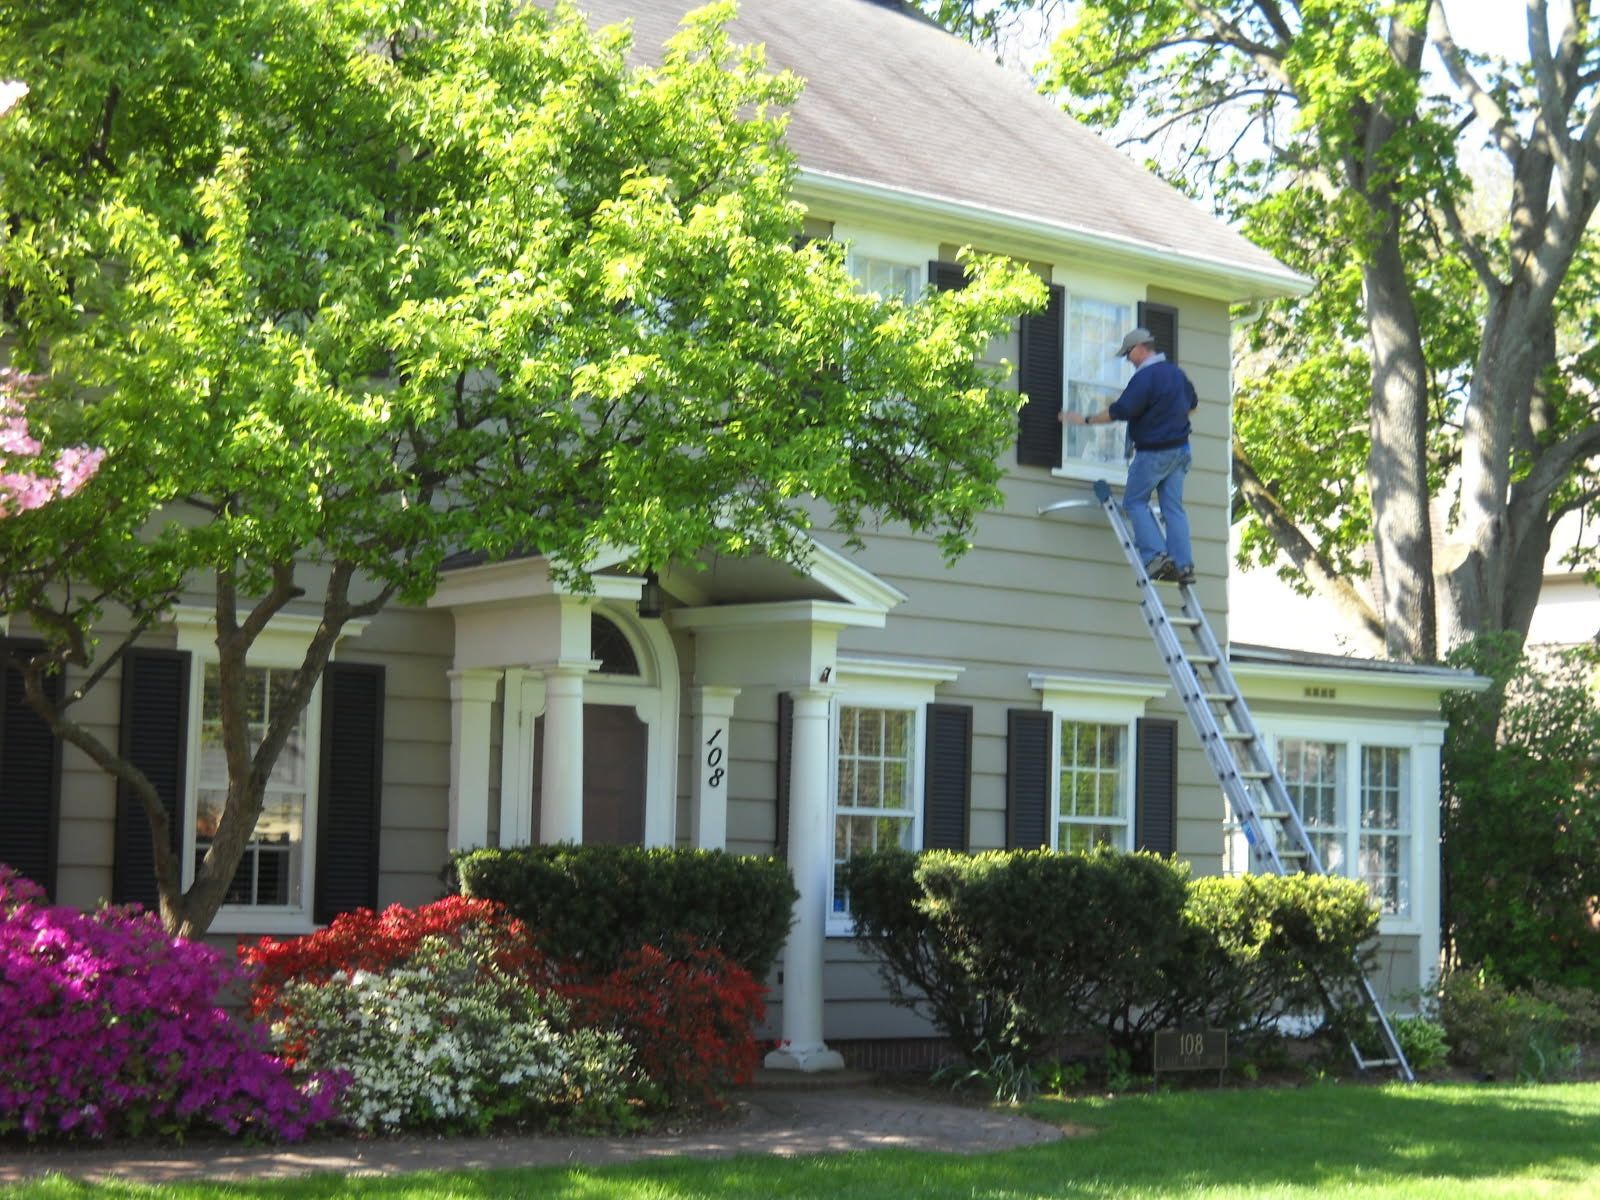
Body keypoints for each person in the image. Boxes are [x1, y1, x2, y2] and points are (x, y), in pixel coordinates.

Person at [1060, 327, 1198, 584]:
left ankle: (1157, 556)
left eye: (1128, 354)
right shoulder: (1176, 375)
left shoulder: (1145, 378)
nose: (1127, 360)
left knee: (1134, 502)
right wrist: (1169, 419)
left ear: (1140, 348)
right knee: (1173, 509)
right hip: (1180, 452)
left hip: (1154, 452)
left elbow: (1120, 411)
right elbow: (1193, 406)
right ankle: (1183, 565)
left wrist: (1084, 419)